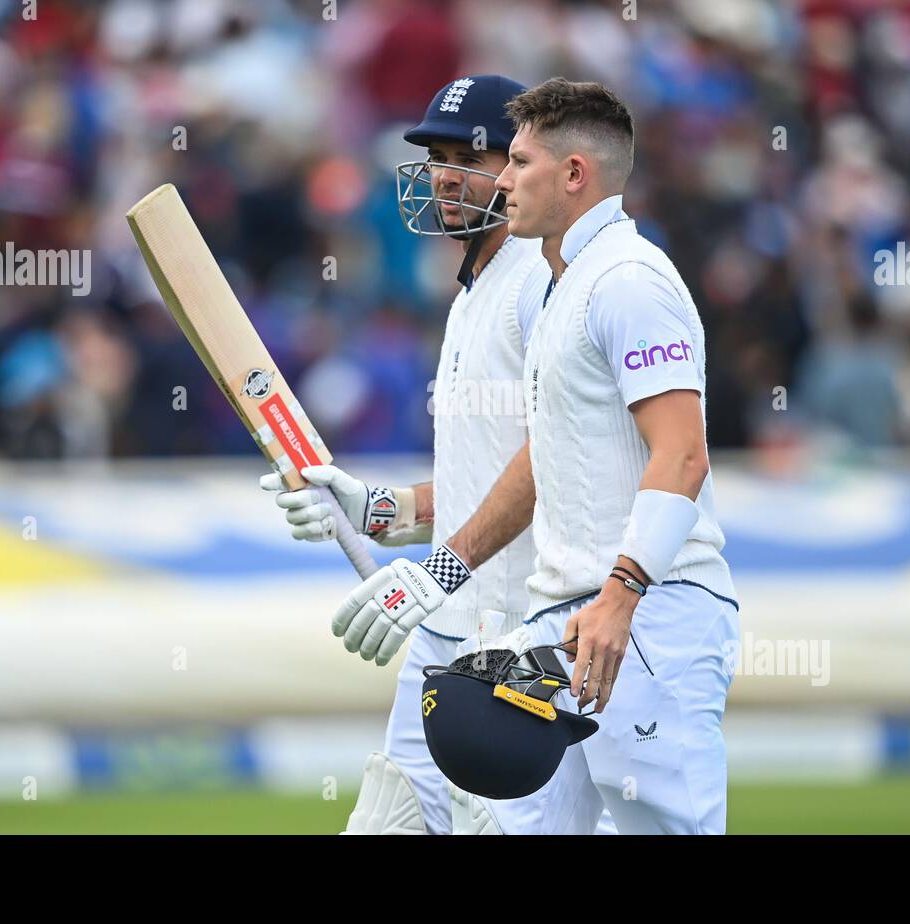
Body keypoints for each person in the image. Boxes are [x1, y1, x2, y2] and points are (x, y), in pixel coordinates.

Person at [333, 78, 740, 834]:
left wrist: (618, 597)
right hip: (561, 624)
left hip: (645, 614)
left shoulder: (627, 279)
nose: (504, 180)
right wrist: (385, 511)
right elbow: (547, 462)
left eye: (514, 162)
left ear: (574, 174)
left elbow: (683, 455)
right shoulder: (557, 284)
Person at [263, 75, 600, 835]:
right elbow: (478, 479)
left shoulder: (541, 287)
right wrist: (379, 509)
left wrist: (440, 568)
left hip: (525, 644)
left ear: (517, 165)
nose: (444, 175)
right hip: (448, 636)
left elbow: (554, 462)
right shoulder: (471, 294)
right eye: (435, 156)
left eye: (466, 156)